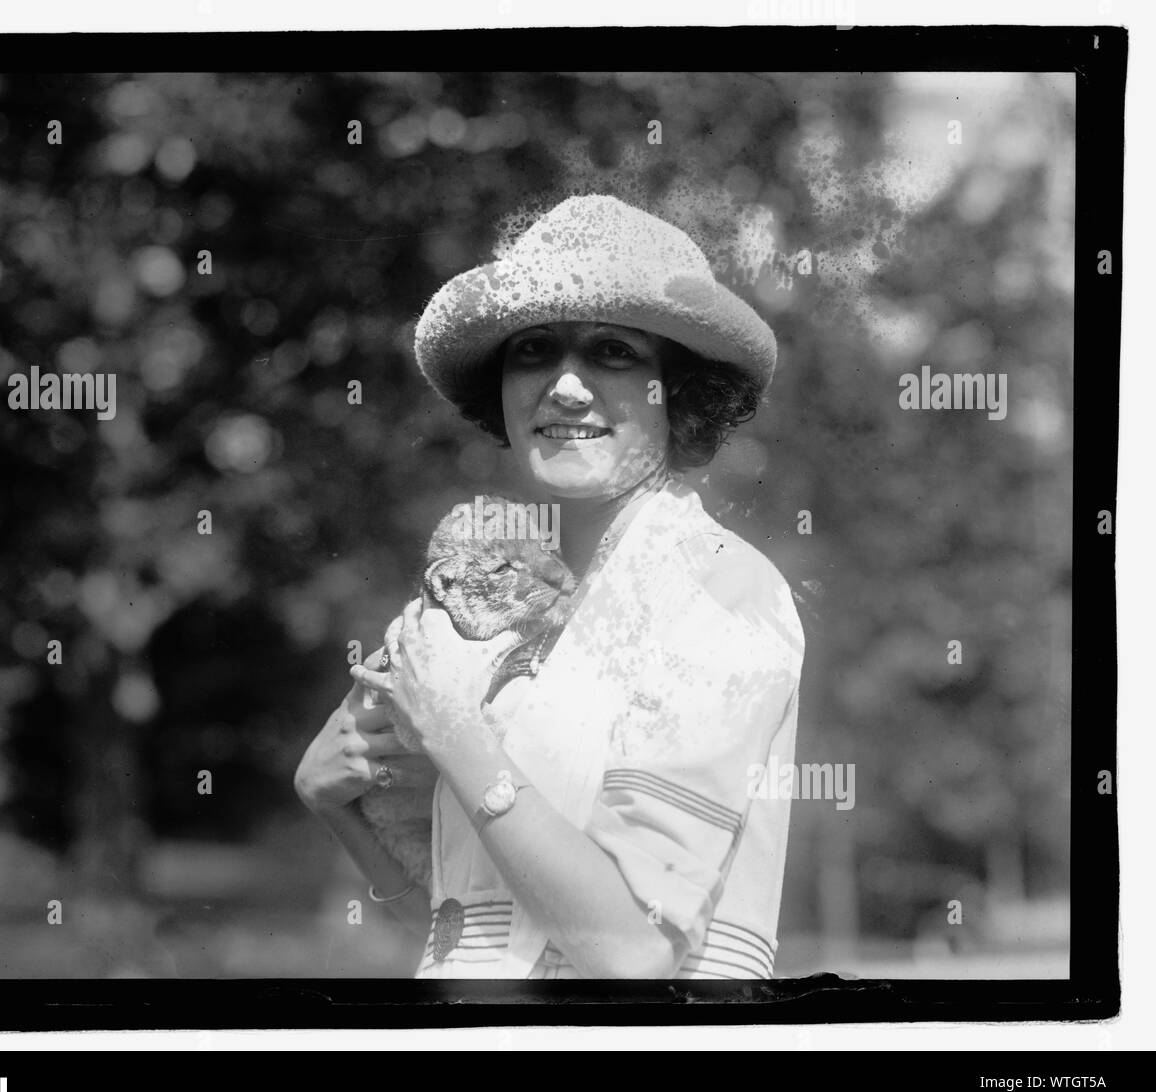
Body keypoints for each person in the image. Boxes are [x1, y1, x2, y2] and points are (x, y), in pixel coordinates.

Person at [294, 194, 805, 979]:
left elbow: (632, 953)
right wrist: (336, 804)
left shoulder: (717, 590)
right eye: (533, 350)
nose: (565, 387)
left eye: (613, 351)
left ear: (684, 390)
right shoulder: (503, 603)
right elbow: (472, 922)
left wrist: (453, 733)